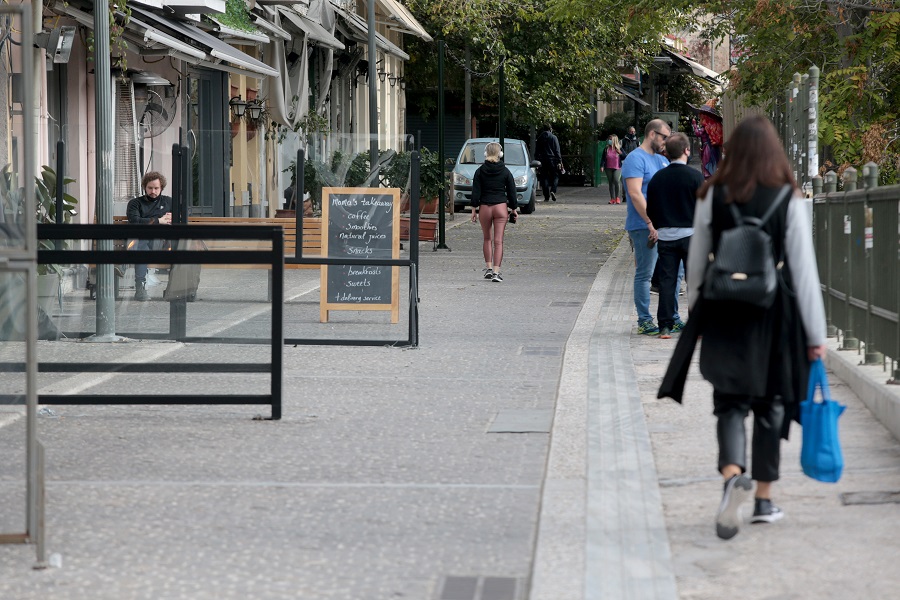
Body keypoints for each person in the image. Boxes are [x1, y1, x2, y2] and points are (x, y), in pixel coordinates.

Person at [660, 115, 827, 540]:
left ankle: (733, 475)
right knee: (770, 405)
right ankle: (764, 501)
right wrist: (816, 334)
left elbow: (697, 262)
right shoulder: (787, 198)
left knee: (729, 402)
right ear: (774, 152)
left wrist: (697, 313)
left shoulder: (711, 193)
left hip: (725, 311)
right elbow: (805, 272)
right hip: (773, 313)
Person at [646, 132, 704, 338]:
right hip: (692, 236)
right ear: (687, 151)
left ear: (666, 153)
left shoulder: (657, 179)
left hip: (666, 237)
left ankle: (665, 325)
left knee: (668, 281)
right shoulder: (696, 177)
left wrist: (660, 226)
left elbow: (650, 209)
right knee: (694, 282)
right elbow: (704, 209)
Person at [621, 119, 670, 335]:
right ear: (652, 134)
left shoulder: (660, 160)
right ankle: (644, 320)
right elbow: (634, 193)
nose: (665, 141)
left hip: (663, 226)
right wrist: (650, 222)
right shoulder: (635, 159)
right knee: (645, 273)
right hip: (643, 226)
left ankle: (671, 317)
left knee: (669, 273)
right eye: (664, 137)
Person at [471, 142, 518, 283]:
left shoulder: (479, 171)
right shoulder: (505, 171)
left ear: (485, 153)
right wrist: (514, 208)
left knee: (487, 239)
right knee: (499, 241)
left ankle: (489, 269)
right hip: (500, 207)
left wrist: (474, 209)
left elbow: (476, 192)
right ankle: (497, 273)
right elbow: (512, 191)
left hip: (485, 207)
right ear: (500, 154)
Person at [126, 171, 173, 301]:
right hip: (140, 243)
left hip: (160, 243)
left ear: (161, 188)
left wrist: (172, 218)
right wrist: (159, 221)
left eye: (156, 188)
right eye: (150, 188)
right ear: (144, 187)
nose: (153, 191)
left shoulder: (169, 202)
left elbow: (185, 214)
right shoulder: (135, 203)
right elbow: (134, 220)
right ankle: (140, 288)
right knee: (141, 241)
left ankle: (173, 288)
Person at [535, 124, 563, 202]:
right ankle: (553, 190)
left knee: (544, 177)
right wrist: (559, 161)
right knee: (556, 175)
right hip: (553, 159)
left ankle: (546, 196)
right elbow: (557, 150)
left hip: (542, 160)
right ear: (550, 129)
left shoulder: (540, 138)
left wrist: (537, 160)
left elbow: (537, 151)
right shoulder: (554, 137)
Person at [601, 134, 626, 204]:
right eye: (609, 139)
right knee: (610, 182)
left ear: (614, 140)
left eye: (611, 139)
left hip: (617, 167)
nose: (609, 141)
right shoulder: (606, 149)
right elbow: (603, 158)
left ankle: (617, 197)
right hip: (608, 167)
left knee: (616, 180)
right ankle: (612, 198)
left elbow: (625, 156)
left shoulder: (619, 148)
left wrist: (620, 153)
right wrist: (602, 166)